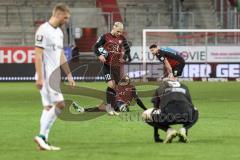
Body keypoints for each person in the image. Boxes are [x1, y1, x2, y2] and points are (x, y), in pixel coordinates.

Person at [34, 3, 75, 151]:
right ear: (58, 14)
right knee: (61, 104)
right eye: (65, 17)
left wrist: (69, 74)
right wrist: (40, 77)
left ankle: (42, 139)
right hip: (46, 76)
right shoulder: (43, 30)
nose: (66, 20)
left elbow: (61, 54)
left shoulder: (59, 32)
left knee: (48, 107)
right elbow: (37, 55)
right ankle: (41, 137)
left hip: (54, 75)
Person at [142, 79, 198, 143]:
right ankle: (184, 130)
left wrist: (156, 136)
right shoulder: (184, 86)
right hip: (186, 116)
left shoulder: (160, 87)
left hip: (168, 116)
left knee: (145, 115)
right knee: (195, 109)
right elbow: (190, 105)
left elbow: (156, 108)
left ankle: (169, 130)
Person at [94, 22, 131, 116]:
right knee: (111, 84)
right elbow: (96, 46)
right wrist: (99, 55)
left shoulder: (122, 38)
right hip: (107, 65)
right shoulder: (105, 36)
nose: (119, 34)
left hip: (116, 66)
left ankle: (111, 107)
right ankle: (109, 108)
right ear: (113, 28)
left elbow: (128, 50)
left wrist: (125, 57)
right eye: (118, 31)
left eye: (121, 32)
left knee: (115, 87)